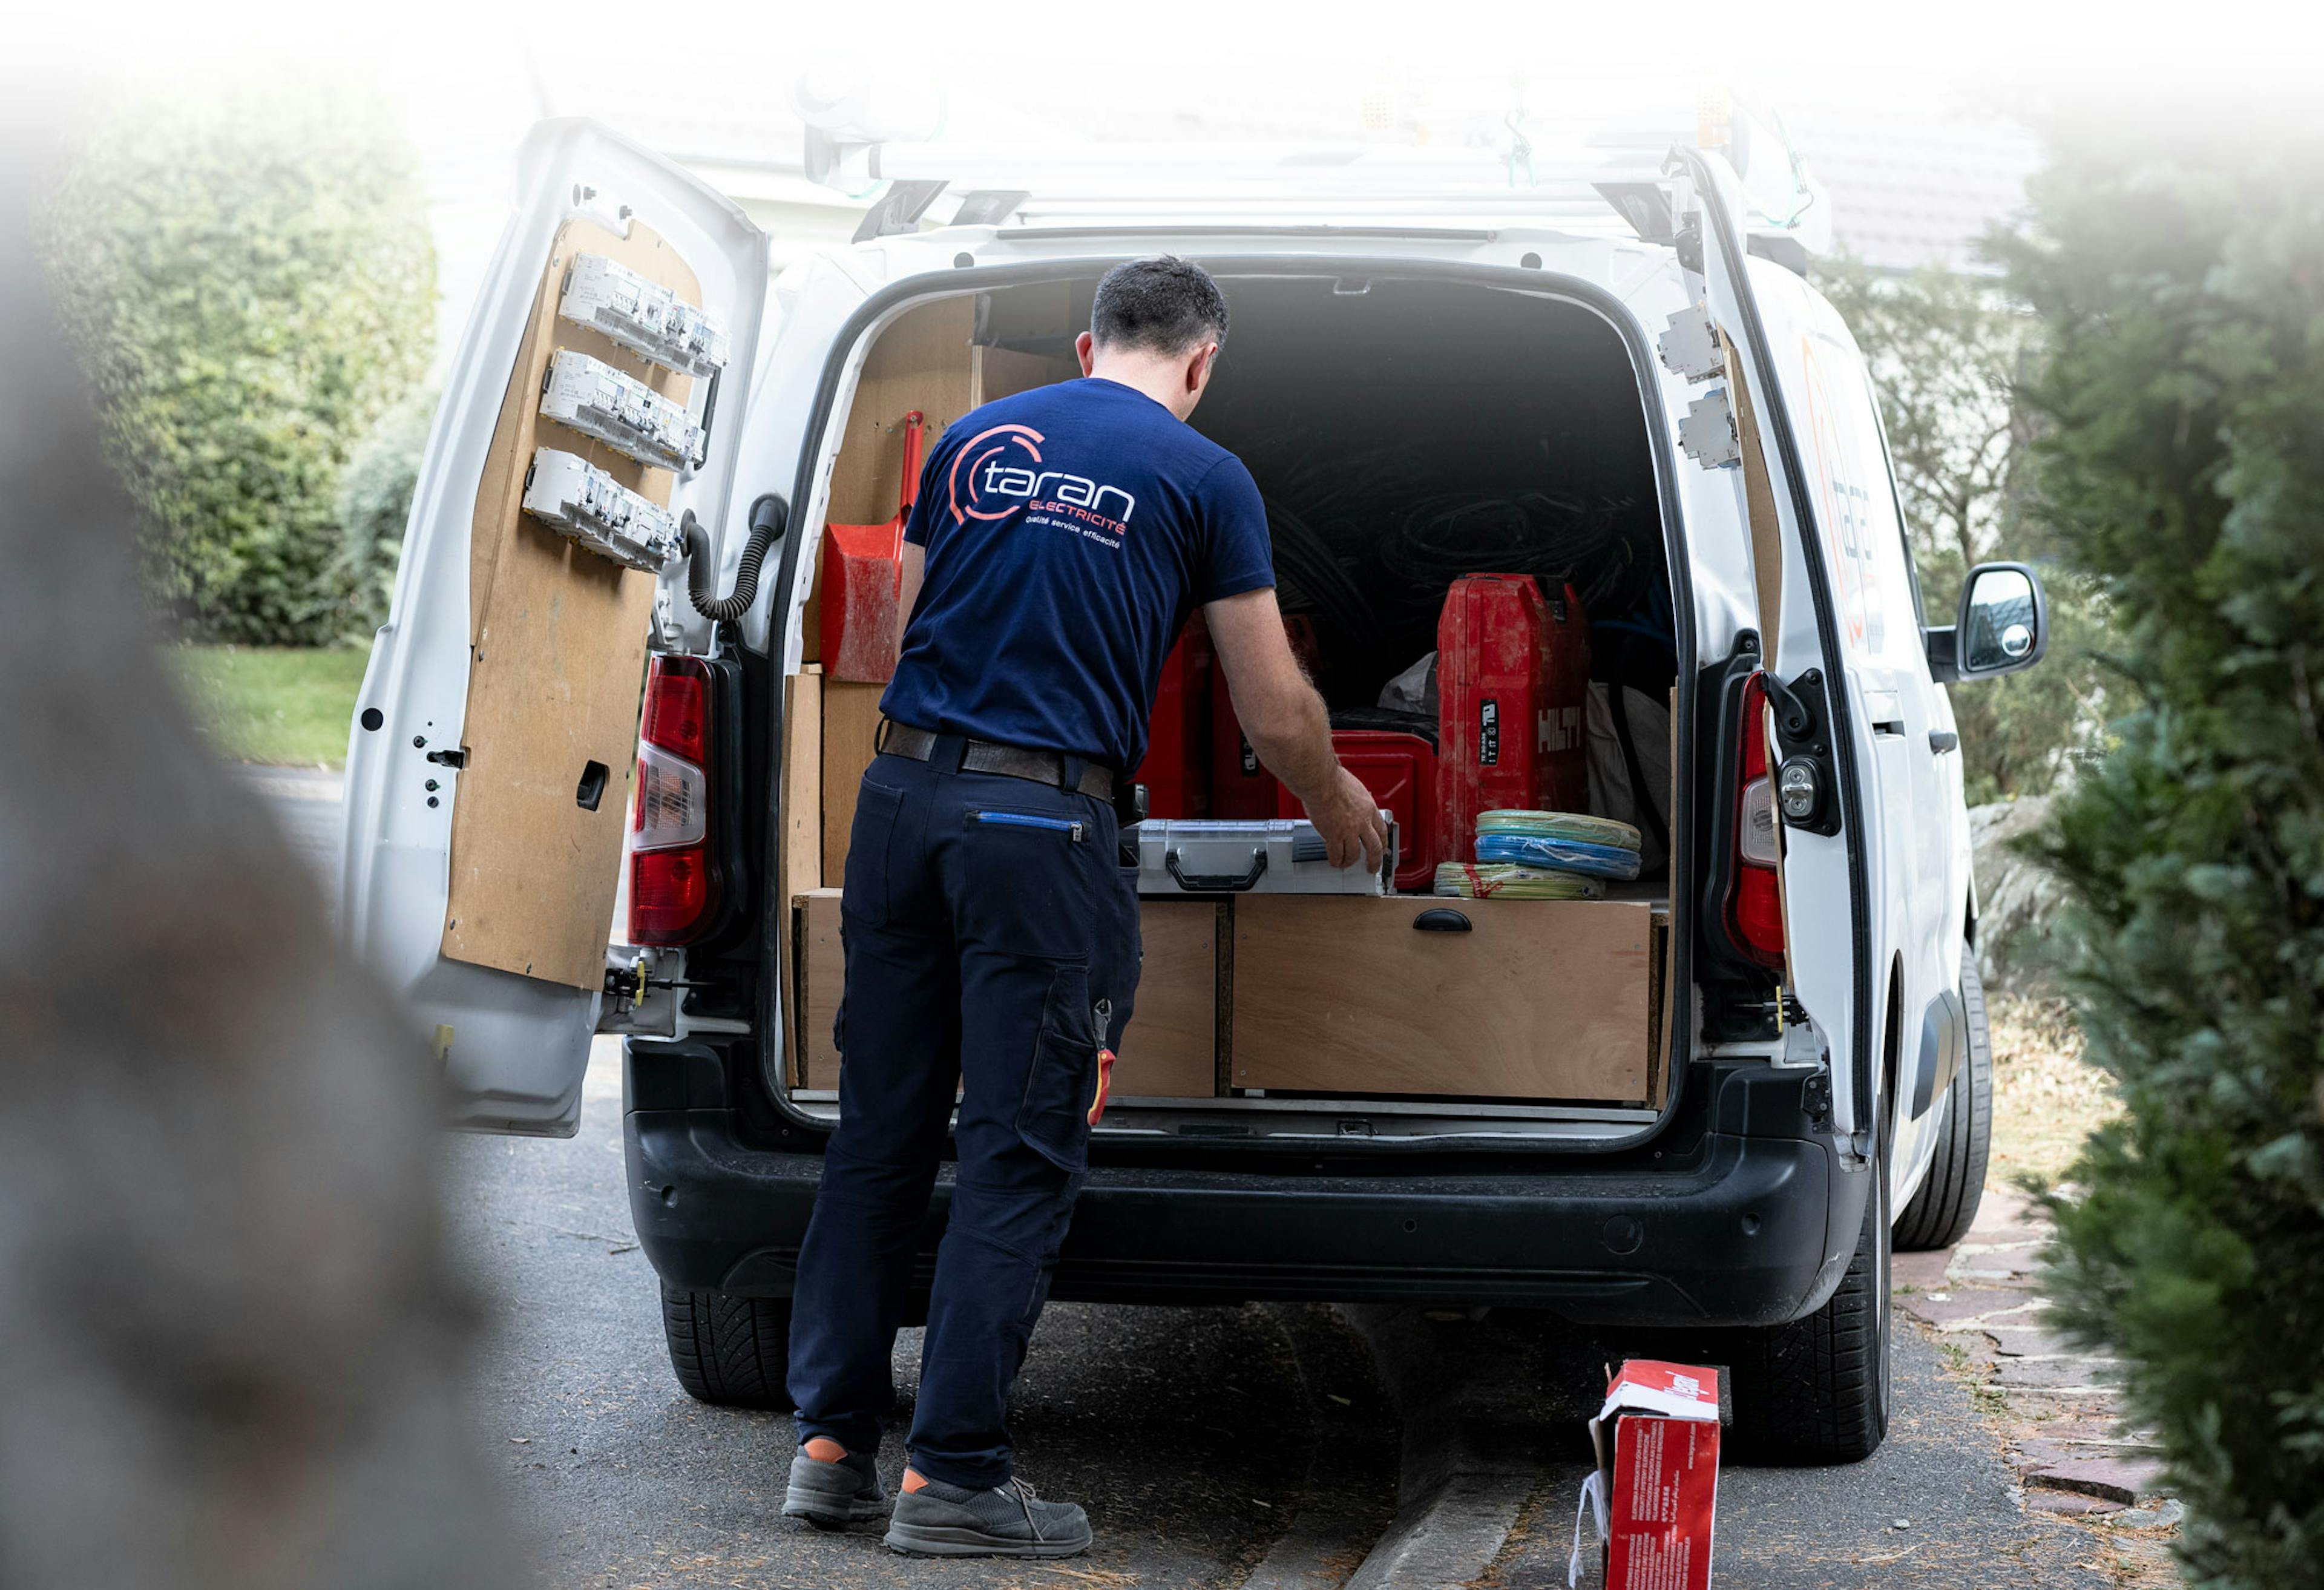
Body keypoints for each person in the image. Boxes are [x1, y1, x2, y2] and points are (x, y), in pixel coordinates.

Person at [782, 256, 1386, 1559]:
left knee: (879, 1135)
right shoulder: (1205, 478)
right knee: (1016, 1149)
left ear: (1085, 343)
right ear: (1203, 365)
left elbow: (908, 627)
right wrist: (1339, 803)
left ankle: (830, 1450)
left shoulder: (971, 439)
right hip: (1039, 834)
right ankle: (953, 1480)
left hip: (900, 803)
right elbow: (1271, 707)